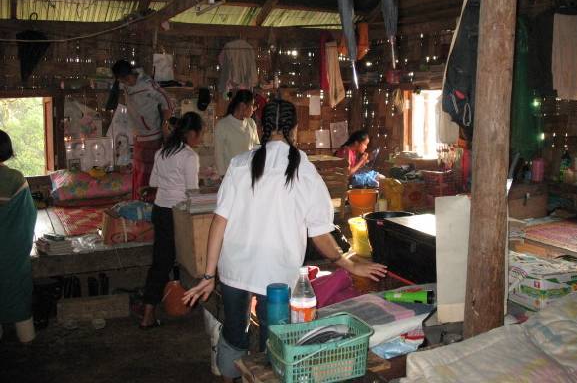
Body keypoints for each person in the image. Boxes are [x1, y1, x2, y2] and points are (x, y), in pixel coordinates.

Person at [183, 100, 387, 380]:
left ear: (261, 127)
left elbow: (219, 221)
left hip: (235, 268)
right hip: (277, 276)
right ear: (295, 129)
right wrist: (348, 263)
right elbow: (319, 233)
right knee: (275, 341)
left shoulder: (240, 163)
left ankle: (230, 376)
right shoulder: (305, 170)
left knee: (234, 334)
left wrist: (209, 275)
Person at [140, 112, 203, 328]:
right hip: (179, 214)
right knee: (190, 260)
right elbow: (192, 192)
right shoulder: (189, 156)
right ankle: (189, 303)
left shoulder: (162, 152)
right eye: (200, 134)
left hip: (160, 210)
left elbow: (154, 182)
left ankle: (148, 313)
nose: (200, 138)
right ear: (192, 133)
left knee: (161, 262)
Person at [111, 59, 174, 199]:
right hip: (138, 135)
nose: (125, 83)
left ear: (129, 75)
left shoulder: (147, 84)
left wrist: (165, 123)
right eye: (122, 81)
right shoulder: (125, 85)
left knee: (149, 173)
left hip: (152, 135)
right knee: (139, 172)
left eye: (126, 79)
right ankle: (138, 201)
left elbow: (166, 100)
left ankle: (148, 204)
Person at [0, 130, 37, 343]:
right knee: (17, 293)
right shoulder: (15, 178)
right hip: (12, 251)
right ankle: (27, 339)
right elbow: (28, 217)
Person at [213, 89, 259, 176]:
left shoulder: (251, 123)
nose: (253, 109)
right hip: (231, 175)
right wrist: (223, 175)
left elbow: (257, 147)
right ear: (243, 106)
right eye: (252, 105)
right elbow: (218, 154)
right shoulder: (222, 125)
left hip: (249, 174)